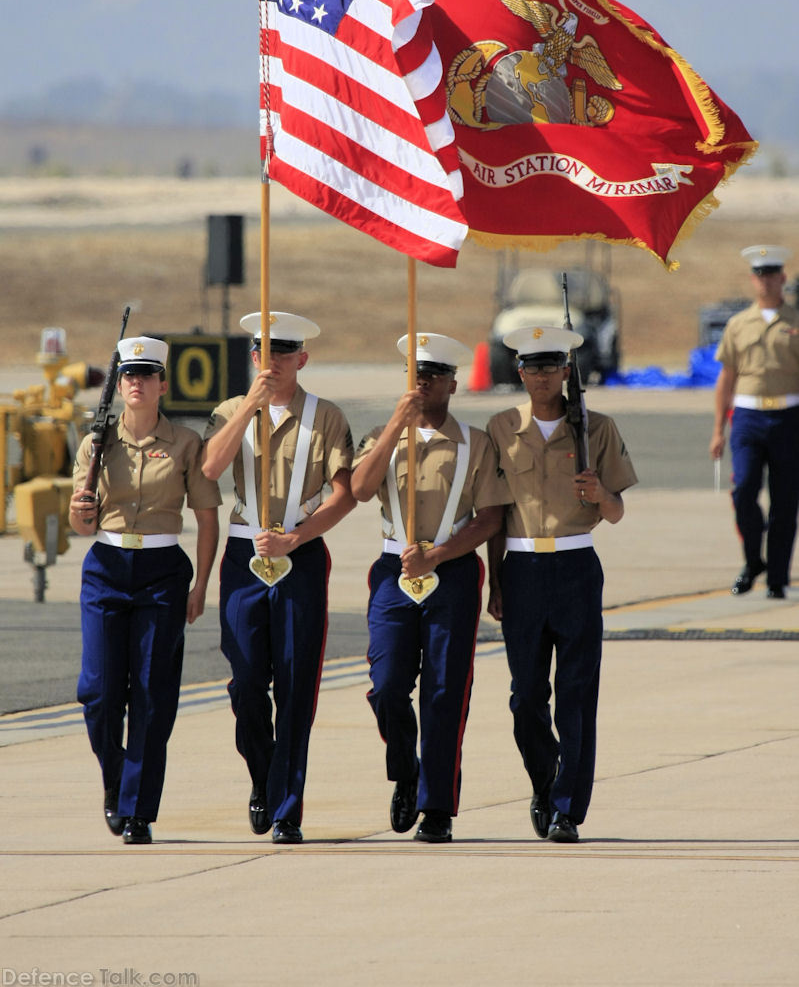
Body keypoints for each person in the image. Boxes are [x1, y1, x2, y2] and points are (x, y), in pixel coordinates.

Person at [202, 311, 355, 844]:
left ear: (302, 359)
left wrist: (298, 538)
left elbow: (344, 494)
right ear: (252, 358)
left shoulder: (326, 416)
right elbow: (210, 468)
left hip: (301, 553)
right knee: (247, 683)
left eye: (284, 354)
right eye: (265, 353)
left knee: (295, 686)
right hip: (245, 554)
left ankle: (287, 807)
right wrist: (250, 404)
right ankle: (264, 778)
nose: (274, 362)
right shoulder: (228, 411)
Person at [351, 333, 508, 843]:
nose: (424, 381)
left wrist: (440, 555)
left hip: (453, 571)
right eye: (416, 373)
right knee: (389, 685)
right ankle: (406, 770)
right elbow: (357, 490)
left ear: (453, 384)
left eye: (435, 374)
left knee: (444, 694)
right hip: (394, 572)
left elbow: (489, 519)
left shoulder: (475, 442)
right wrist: (399, 420)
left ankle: (437, 806)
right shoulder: (382, 434)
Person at [486, 325, 637, 844]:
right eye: (532, 367)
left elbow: (616, 514)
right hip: (522, 569)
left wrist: (599, 493)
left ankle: (568, 808)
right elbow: (493, 512)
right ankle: (545, 780)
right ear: (520, 372)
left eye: (552, 367)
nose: (542, 376)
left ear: (567, 372)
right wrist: (495, 578)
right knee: (526, 697)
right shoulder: (501, 427)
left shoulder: (595, 427)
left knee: (576, 693)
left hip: (575, 567)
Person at [70, 336, 221, 845]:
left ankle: (137, 809)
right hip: (107, 567)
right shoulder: (96, 443)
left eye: (145, 375)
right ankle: (116, 781)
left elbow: (205, 516)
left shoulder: (184, 442)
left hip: (161, 570)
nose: (136, 383)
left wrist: (201, 583)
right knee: (97, 692)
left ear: (162, 385)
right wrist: (81, 511)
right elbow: (80, 520)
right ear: (119, 385)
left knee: (153, 694)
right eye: (127, 376)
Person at [710, 245, 799, 599]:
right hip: (747, 416)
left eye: (771, 275)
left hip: (789, 416)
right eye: (759, 276)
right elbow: (726, 377)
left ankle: (777, 576)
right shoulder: (738, 324)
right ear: (753, 281)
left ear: (783, 279)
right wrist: (718, 429)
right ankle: (753, 560)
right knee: (744, 489)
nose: (765, 282)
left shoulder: (795, 321)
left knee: (785, 500)